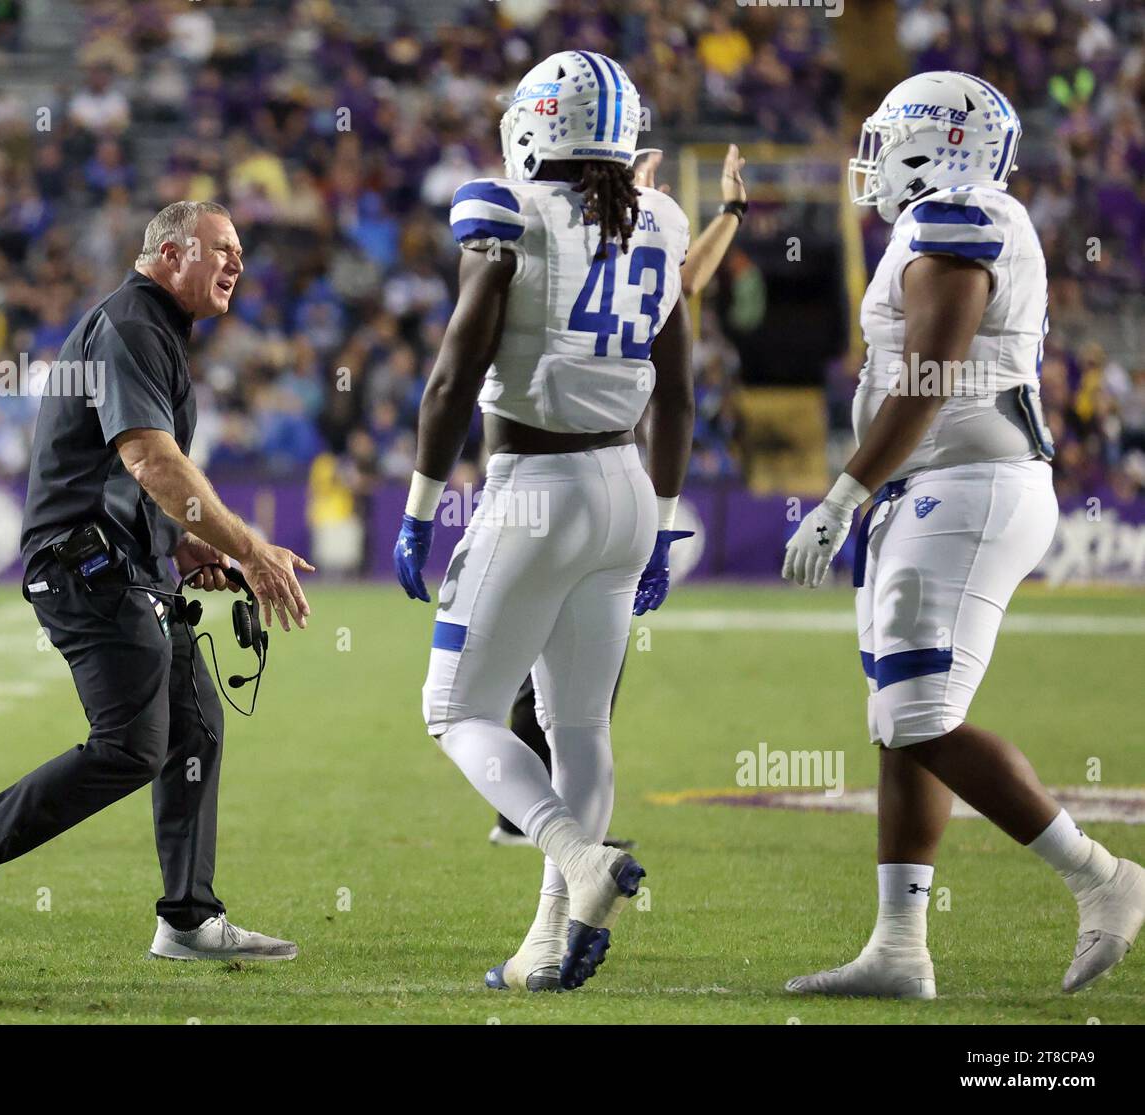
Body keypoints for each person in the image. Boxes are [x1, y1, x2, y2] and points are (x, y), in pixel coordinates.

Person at [781, 72, 1144, 998]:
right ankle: (901, 946)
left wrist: (841, 495)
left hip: (969, 483)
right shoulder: (948, 217)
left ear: (935, 143)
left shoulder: (958, 215)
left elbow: (936, 372)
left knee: (915, 713)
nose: (868, 163)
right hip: (938, 484)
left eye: (885, 140)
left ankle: (1103, 879)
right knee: (899, 719)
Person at [0, 201, 314, 964]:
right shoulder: (132, 323)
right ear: (167, 250)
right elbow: (150, 461)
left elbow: (129, 481)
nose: (237, 264)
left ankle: (188, 917)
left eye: (240, 253)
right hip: (85, 568)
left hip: (128, 563)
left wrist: (186, 544)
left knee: (195, 727)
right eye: (221, 248)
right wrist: (251, 547)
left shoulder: (148, 328)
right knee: (132, 744)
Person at [393, 52, 694, 992]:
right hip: (627, 486)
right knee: (578, 728)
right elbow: (680, 392)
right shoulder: (662, 219)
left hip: (534, 485)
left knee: (455, 708)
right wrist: (669, 517)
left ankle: (578, 855)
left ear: (536, 124)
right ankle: (549, 940)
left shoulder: (507, 213)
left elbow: (451, 376)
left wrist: (416, 506)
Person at [487, 145, 749, 850]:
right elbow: (681, 289)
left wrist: (729, 213)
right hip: (587, 460)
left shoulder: (590, 231)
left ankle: (541, 816)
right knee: (550, 662)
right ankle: (536, 815)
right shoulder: (580, 235)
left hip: (573, 461)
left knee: (559, 656)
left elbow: (683, 281)